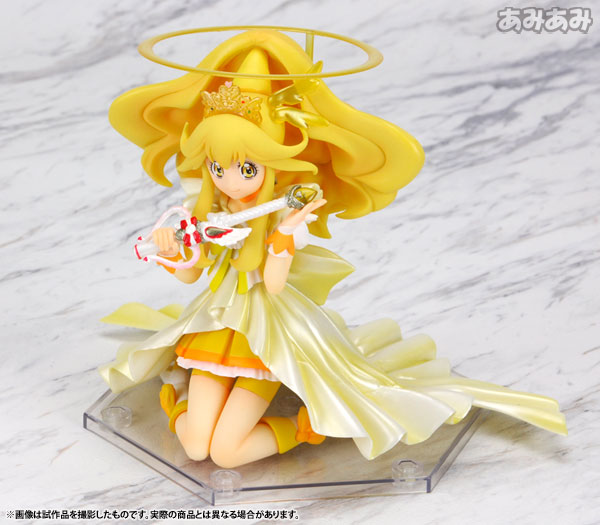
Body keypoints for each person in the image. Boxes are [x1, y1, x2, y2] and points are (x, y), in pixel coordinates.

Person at [98, 29, 566, 468]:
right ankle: (178, 392)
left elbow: (274, 285)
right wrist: (170, 251)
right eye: (218, 168)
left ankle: (310, 427)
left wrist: (284, 235)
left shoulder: (280, 216)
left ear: (274, 164)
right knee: (196, 446)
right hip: (213, 327)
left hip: (266, 335)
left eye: (246, 168)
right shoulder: (208, 212)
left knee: (225, 454)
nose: (229, 181)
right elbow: (190, 275)